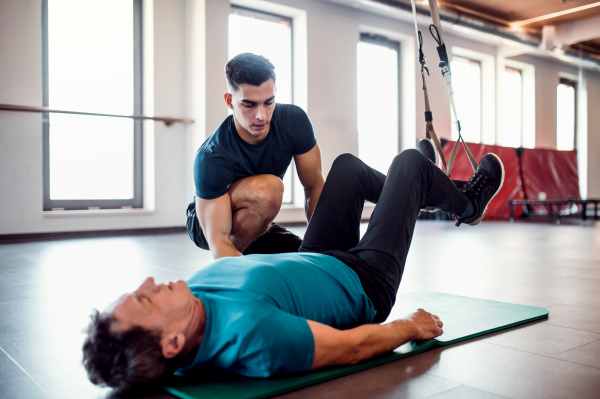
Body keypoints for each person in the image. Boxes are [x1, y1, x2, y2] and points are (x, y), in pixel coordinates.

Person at [83, 149, 504, 392]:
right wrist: (409, 326)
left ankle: (419, 194)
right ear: (173, 343)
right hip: (364, 282)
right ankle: (468, 205)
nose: (149, 283)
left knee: (348, 169)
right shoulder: (251, 337)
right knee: (410, 163)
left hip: (317, 255)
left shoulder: (189, 302)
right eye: (145, 299)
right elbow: (350, 347)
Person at [187, 53, 325, 259]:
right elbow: (219, 241)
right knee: (269, 190)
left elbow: (314, 187)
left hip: (257, 216)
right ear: (229, 101)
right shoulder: (211, 156)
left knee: (304, 259)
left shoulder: (293, 121)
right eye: (249, 105)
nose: (261, 115)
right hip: (209, 221)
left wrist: (320, 253)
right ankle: (232, 266)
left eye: (269, 102)